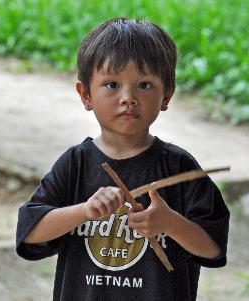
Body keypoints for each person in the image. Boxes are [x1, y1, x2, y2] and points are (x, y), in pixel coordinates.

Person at [16, 17, 229, 301]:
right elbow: (30, 234)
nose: (128, 97)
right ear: (85, 94)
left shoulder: (179, 166)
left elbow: (213, 248)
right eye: (112, 84)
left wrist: (170, 223)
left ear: (167, 94)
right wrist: (84, 211)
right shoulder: (75, 163)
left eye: (144, 85)